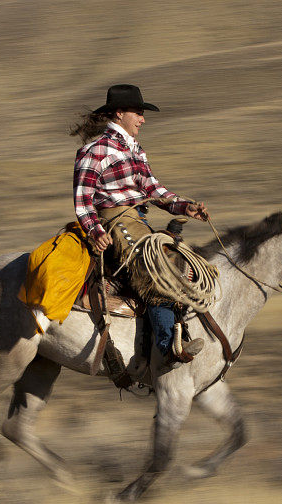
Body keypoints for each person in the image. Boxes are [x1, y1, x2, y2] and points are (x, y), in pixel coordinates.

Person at [71, 84, 209, 367]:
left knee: (186, 264)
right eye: (138, 112)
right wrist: (96, 232)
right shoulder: (95, 150)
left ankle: (180, 328)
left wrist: (186, 206)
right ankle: (167, 346)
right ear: (119, 113)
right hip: (115, 223)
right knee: (156, 274)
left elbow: (154, 190)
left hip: (138, 221)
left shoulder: (134, 149)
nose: (143, 119)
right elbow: (83, 200)